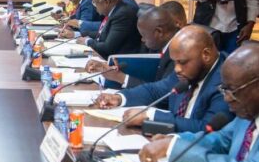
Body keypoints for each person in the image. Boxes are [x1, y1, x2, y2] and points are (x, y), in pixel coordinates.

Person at [139, 43, 259, 162]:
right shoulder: (248, 114)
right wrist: (174, 141)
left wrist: (175, 150)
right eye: (224, 89)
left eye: (233, 90)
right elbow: (220, 140)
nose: (227, 98)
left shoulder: (247, 109)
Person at [95, 25, 233, 133]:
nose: (177, 69)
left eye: (182, 62)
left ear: (206, 55)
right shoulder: (187, 70)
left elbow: (207, 128)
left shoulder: (227, 81)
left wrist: (151, 116)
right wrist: (119, 98)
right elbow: (155, 91)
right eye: (175, 62)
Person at [86, 6, 179, 88]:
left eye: (144, 35)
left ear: (159, 32)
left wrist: (121, 77)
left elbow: (160, 92)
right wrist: (107, 66)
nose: (142, 40)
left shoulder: (177, 55)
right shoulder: (158, 45)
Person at [68, 0, 142, 58]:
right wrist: (77, 34)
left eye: (95, 2)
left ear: (106, 2)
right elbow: (103, 33)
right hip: (105, 55)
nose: (94, 6)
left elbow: (108, 48)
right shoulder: (116, 10)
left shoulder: (122, 14)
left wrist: (87, 41)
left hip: (117, 60)